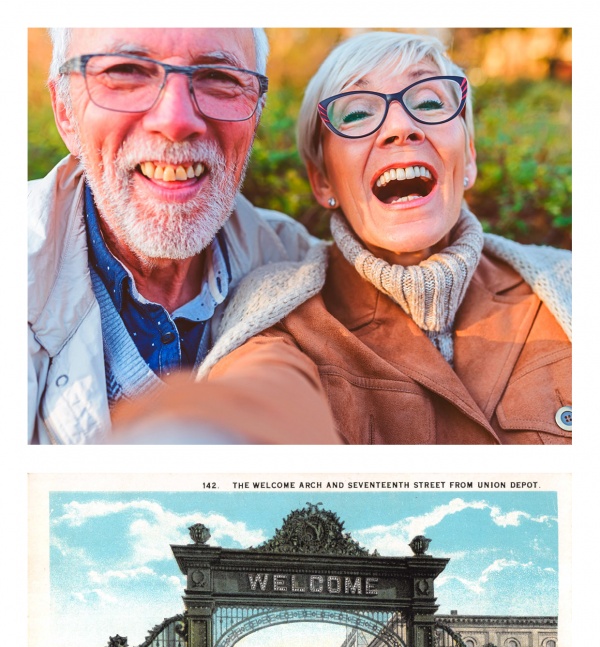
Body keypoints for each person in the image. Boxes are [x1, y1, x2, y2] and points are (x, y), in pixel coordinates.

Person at [196, 30, 571, 444]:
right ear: (322, 181)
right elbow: (258, 402)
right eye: (356, 114)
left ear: (469, 158)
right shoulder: (279, 318)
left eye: (429, 103)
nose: (401, 127)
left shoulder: (569, 287)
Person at [28, 27, 338, 444]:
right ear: (65, 111)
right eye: (126, 72)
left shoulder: (299, 266)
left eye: (219, 78)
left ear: (256, 112)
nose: (175, 121)